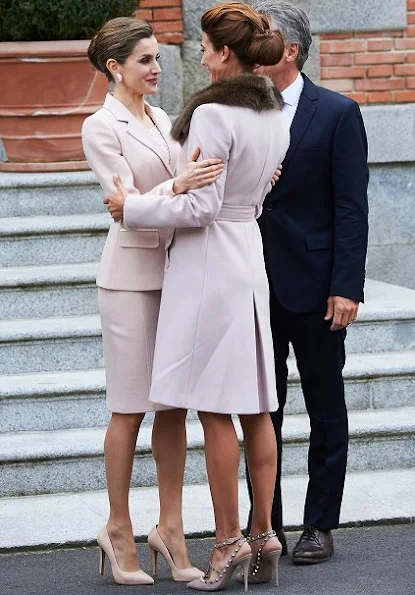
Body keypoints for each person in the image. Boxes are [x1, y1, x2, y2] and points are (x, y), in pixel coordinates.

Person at [104, 2, 290, 591]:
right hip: (248, 254)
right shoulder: (275, 113)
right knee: (257, 404)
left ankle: (228, 544)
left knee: (215, 408)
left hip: (210, 260)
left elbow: (200, 207)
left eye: (205, 48)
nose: (200, 55)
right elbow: (253, 197)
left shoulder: (212, 113)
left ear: (224, 54)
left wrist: (132, 207)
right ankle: (265, 535)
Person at [81, 16, 224, 585]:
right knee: (129, 408)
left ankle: (170, 527)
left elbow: (180, 185)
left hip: (177, 274)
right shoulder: (100, 125)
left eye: (159, 59)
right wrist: (180, 186)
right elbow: (126, 205)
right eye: (145, 60)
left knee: (173, 407)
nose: (157, 69)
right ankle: (118, 528)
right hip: (128, 278)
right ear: (115, 67)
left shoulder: (165, 118)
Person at [247, 0, 370, 565]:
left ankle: (319, 524)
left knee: (325, 407)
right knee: (258, 411)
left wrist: (346, 286)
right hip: (249, 285)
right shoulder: (237, 109)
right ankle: (261, 526)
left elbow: (351, 208)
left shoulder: (338, 113)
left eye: (260, 38)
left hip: (319, 289)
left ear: (288, 51)